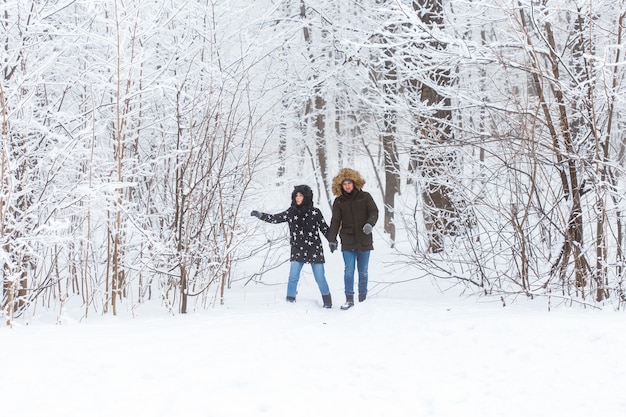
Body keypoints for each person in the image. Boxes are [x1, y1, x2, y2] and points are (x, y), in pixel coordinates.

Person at [251, 184, 333, 308]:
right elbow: (275, 218)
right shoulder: (291, 212)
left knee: (320, 278)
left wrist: (332, 241)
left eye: (300, 195)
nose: (297, 198)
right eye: (296, 195)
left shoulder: (315, 212)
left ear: (306, 197)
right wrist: (261, 215)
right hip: (297, 249)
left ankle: (327, 302)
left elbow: (325, 229)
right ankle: (290, 301)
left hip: (314, 249)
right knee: (293, 277)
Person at [327, 168, 379, 310]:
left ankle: (363, 297)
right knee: (349, 270)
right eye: (344, 184)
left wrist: (369, 224)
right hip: (348, 240)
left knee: (363, 271)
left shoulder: (365, 197)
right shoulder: (339, 201)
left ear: (355, 183)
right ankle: (349, 299)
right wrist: (332, 239)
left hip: (364, 239)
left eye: (349, 183)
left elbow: (374, 211)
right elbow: (335, 221)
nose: (347, 186)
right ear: (340, 186)